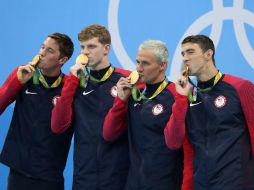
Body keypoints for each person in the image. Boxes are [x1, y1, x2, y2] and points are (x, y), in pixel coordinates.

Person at [164, 34, 254, 190]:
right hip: (202, 183)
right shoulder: (187, 95)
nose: (185, 58)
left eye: (191, 52)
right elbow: (173, 142)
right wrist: (180, 98)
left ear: (208, 54)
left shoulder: (240, 87)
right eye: (183, 54)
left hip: (236, 182)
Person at [51, 24, 130, 190]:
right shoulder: (74, 83)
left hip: (119, 175)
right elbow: (58, 126)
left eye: (92, 46)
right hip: (84, 176)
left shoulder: (126, 80)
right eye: (83, 47)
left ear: (106, 48)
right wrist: (72, 81)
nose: (85, 52)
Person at [103, 40, 183, 190]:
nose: (138, 68)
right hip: (134, 182)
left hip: (166, 183)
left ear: (162, 65)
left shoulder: (176, 95)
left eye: (145, 63)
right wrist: (120, 100)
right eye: (137, 62)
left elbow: (180, 143)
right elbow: (109, 134)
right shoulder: (134, 94)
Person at [0, 33, 74, 190]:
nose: (41, 53)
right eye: (42, 47)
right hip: (19, 171)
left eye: (49, 50)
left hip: (50, 174)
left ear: (63, 60)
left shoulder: (70, 86)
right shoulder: (22, 75)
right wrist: (17, 82)